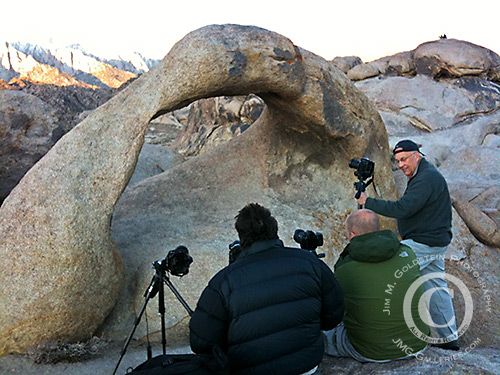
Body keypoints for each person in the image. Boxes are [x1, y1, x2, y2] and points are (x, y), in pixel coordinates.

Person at [189, 203, 344, 375]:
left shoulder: (223, 281)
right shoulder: (311, 263)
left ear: (241, 237)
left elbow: (201, 342)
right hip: (306, 366)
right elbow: (334, 316)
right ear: (274, 230)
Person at [355, 139, 459, 350]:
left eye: (404, 159)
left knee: (387, 276)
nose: (401, 165)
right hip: (433, 241)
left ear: (416, 155)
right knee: (435, 288)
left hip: (425, 243)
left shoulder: (427, 178)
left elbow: (403, 209)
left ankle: (384, 337)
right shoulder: (422, 173)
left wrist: (367, 202)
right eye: (398, 161)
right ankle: (450, 339)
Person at [324, 209, 429, 362]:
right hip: (418, 344)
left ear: (351, 235)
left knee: (324, 329)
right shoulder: (408, 253)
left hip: (373, 352)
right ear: (378, 229)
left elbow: (334, 310)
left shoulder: (345, 269)